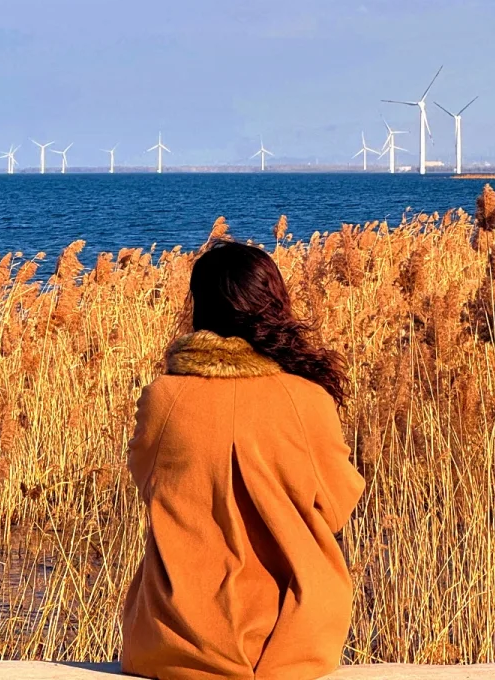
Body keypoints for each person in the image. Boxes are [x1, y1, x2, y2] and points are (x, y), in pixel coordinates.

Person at [122, 241, 365, 680]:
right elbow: (336, 504)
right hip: (294, 640)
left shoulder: (163, 399)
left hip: (176, 641)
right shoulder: (307, 399)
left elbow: (149, 485)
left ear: (200, 308)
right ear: (275, 305)